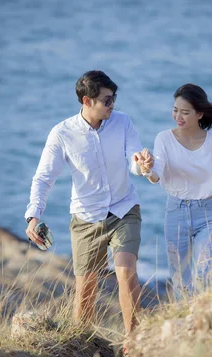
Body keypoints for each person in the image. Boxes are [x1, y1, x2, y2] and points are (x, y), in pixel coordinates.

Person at [24, 70, 151, 339]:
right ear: (86, 101)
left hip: (123, 209)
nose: (112, 104)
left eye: (114, 97)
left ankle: (135, 342)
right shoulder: (62, 134)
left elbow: (135, 160)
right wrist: (33, 215)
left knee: (126, 272)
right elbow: (45, 177)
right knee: (86, 287)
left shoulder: (123, 123)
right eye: (106, 100)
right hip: (86, 218)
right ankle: (82, 343)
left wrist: (144, 165)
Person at [136, 83, 212, 299]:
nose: (178, 116)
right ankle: (185, 321)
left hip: (209, 214)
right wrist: (146, 170)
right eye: (175, 110)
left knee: (203, 272)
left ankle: (201, 316)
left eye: (185, 112)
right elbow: (156, 175)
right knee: (181, 279)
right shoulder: (164, 139)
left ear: (199, 114)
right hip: (176, 212)